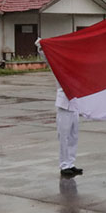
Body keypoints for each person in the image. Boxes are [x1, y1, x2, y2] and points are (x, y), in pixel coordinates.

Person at [36, 39, 83, 178]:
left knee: (74, 136)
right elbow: (48, 58)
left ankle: (71, 163)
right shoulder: (59, 66)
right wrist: (41, 46)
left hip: (74, 103)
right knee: (64, 136)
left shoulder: (76, 67)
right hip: (64, 104)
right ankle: (64, 165)